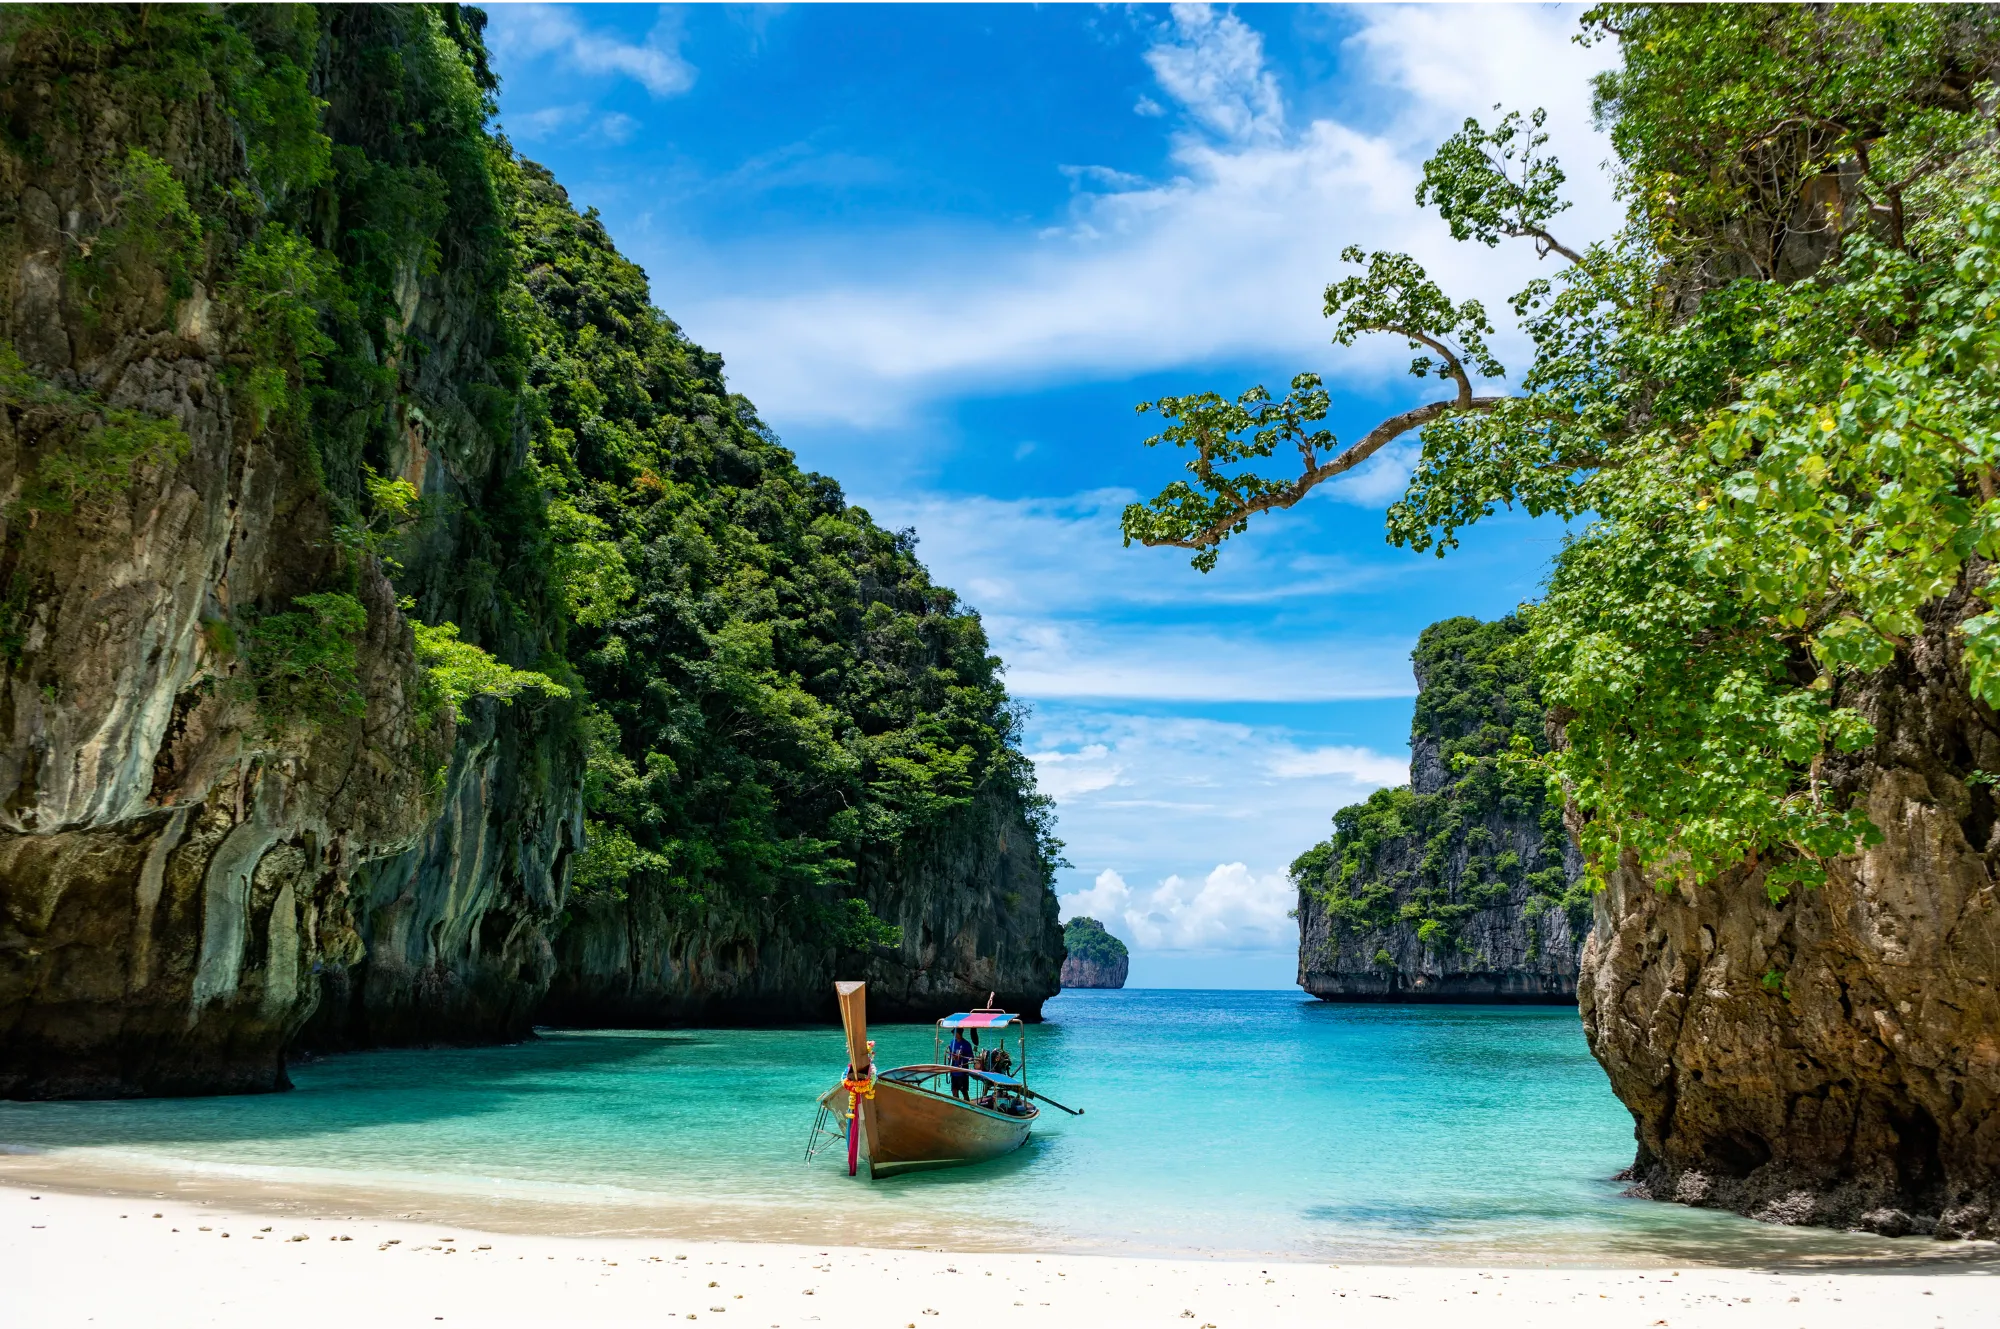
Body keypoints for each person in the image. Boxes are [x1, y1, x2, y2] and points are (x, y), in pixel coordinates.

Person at [946, 1026, 974, 1100]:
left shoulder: (967, 1044)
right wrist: (950, 1057)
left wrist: (961, 1057)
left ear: (959, 1033)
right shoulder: (952, 1042)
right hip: (954, 1071)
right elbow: (950, 1053)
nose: (953, 1035)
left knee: (964, 1091)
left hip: (962, 1072)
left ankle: (968, 1106)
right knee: (954, 1091)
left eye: (955, 1033)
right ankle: (957, 1106)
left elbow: (971, 1058)